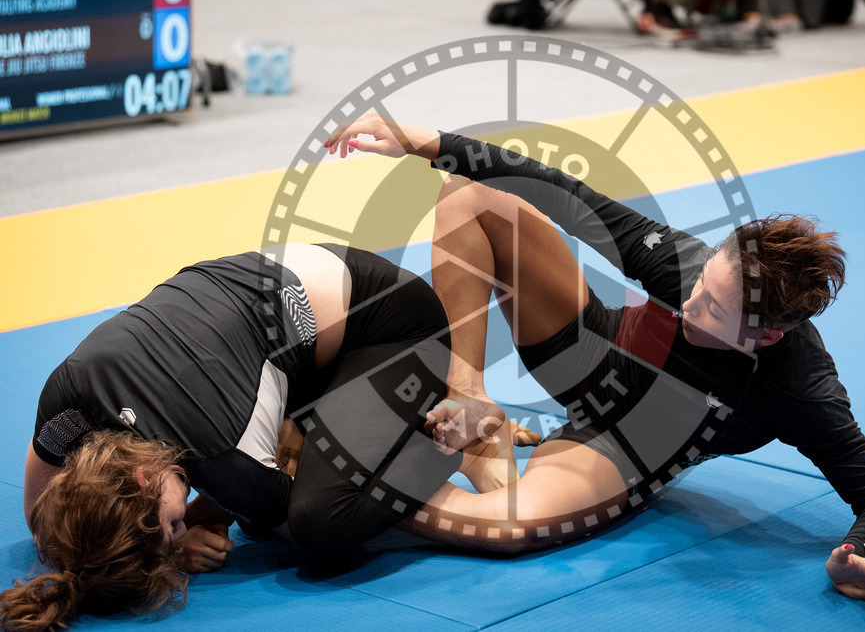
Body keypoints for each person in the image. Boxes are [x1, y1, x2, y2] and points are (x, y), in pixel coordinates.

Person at [324, 112, 865, 614]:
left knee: (506, 527)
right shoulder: (685, 266)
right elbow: (556, 188)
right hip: (589, 350)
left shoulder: (803, 390)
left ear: (767, 336)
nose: (688, 303)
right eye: (700, 283)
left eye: (711, 308)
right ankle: (469, 394)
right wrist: (421, 140)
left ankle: (358, 493)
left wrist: (858, 553)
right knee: (468, 193)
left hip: (627, 447)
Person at [2, 243, 533, 630]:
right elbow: (44, 521)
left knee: (320, 522)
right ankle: (356, 421)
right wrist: (148, 548)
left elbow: (285, 513)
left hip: (390, 323)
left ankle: (463, 441)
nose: (183, 527)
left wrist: (182, 544)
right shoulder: (68, 399)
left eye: (173, 522)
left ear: (142, 477)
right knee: (262, 504)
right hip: (287, 323)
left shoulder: (221, 450)